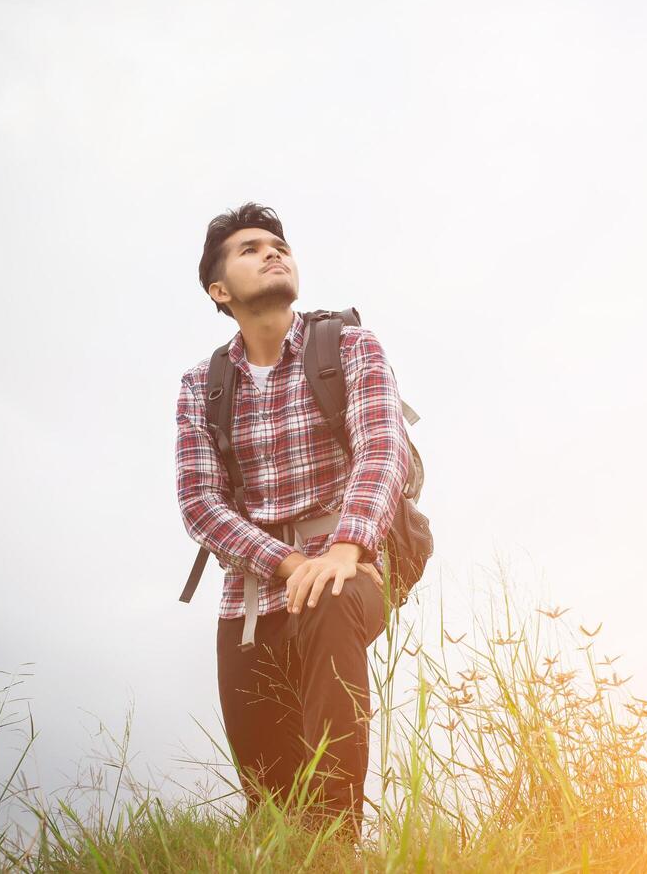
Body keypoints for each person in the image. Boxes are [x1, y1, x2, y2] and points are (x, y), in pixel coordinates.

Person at [175, 203, 412, 839]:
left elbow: (382, 448)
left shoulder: (349, 346)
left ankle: (339, 848)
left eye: (278, 244)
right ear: (219, 291)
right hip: (250, 597)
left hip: (350, 567)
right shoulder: (203, 384)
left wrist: (344, 549)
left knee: (329, 602)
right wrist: (288, 563)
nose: (273, 252)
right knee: (272, 806)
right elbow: (200, 503)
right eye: (250, 249)